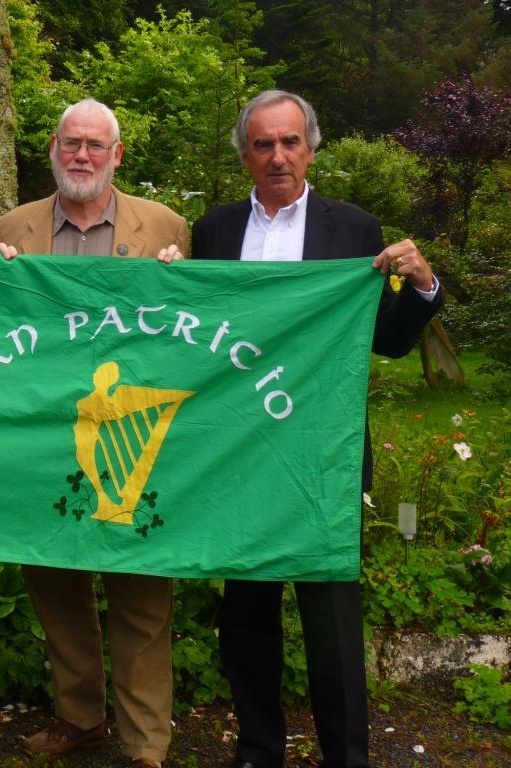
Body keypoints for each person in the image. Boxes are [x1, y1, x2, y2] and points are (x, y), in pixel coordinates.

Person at [164, 89, 443, 768]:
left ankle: (345, 756)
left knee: (332, 626)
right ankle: (259, 747)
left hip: (323, 455)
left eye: (290, 142)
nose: (278, 156)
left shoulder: (354, 229)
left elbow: (385, 340)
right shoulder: (215, 232)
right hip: (240, 453)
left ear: (311, 149)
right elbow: (196, 337)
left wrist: (424, 286)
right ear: (245, 156)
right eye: (263, 144)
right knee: (247, 620)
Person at [0, 98, 188, 768]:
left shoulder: (165, 227)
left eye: (95, 146)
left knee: (142, 595)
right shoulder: (12, 228)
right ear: (52, 147)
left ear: (117, 155)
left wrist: (179, 281)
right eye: (71, 143)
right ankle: (80, 720)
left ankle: (145, 745)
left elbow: (200, 329)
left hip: (133, 430)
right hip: (47, 438)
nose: (81, 155)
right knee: (56, 585)